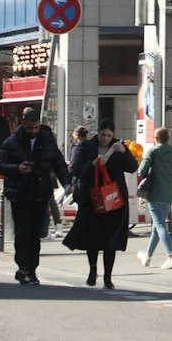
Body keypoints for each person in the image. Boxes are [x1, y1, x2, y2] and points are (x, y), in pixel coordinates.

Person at [0, 107, 70, 286]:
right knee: (23, 232)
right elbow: (0, 165)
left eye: (36, 128)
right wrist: (17, 169)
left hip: (40, 193)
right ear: (24, 124)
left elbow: (58, 162)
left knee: (36, 234)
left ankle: (31, 269)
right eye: (30, 128)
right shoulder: (12, 142)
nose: (33, 131)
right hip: (20, 194)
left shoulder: (47, 140)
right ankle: (23, 268)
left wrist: (66, 182)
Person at [64, 123, 140, 288]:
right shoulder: (86, 147)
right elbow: (77, 171)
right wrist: (92, 165)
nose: (105, 139)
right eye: (103, 135)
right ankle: (92, 270)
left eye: (108, 136)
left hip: (114, 200)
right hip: (91, 200)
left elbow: (132, 168)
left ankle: (108, 277)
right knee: (92, 238)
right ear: (97, 133)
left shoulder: (118, 147)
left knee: (110, 241)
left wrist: (125, 152)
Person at [136, 126, 172, 269]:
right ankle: (147, 255)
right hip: (168, 193)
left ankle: (170, 256)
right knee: (157, 227)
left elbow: (141, 171)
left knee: (160, 225)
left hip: (154, 193)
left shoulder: (152, 151)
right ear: (168, 138)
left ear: (155, 139)